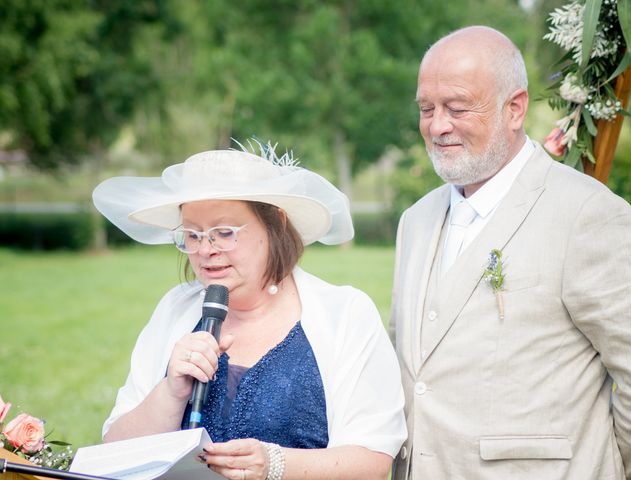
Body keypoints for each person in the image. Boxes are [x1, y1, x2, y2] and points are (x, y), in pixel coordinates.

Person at [390, 26, 631, 480]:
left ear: (515, 108)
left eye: (457, 108)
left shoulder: (588, 213)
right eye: (427, 109)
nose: (437, 125)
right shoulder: (416, 221)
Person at [93, 141, 407, 480]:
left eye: (224, 233)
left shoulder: (345, 314)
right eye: (192, 235)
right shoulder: (174, 309)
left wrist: (276, 465)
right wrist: (171, 392)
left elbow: (373, 461)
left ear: (277, 225)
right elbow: (116, 449)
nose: (205, 250)